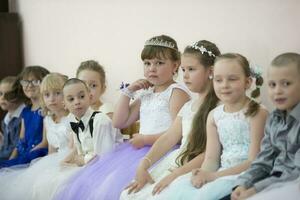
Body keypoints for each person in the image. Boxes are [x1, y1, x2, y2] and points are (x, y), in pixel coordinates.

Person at [54, 35, 190, 200]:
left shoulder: (176, 92)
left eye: (159, 63)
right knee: (100, 184)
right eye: (147, 63)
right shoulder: (147, 93)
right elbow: (119, 122)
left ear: (175, 65)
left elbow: (179, 134)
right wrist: (128, 92)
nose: (152, 69)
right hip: (137, 151)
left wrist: (146, 139)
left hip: (163, 152)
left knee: (128, 191)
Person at [152, 53, 268, 200]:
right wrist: (203, 174)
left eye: (232, 79)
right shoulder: (214, 115)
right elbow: (212, 158)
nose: (224, 85)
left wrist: (214, 176)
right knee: (182, 190)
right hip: (221, 173)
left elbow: (254, 161)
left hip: (248, 175)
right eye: (218, 80)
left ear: (248, 82)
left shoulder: (257, 112)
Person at [120, 40, 221, 200]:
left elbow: (209, 153)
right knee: (129, 194)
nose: (185, 75)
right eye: (183, 70)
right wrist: (144, 164)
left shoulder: (219, 107)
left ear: (210, 71)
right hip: (178, 160)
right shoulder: (189, 107)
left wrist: (175, 175)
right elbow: (169, 137)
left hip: (196, 166)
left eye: (192, 69)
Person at [229, 52, 300, 200]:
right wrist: (244, 184)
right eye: (272, 85)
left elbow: (296, 174)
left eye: (286, 83)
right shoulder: (274, 119)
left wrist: (256, 190)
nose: (277, 91)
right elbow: (263, 161)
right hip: (273, 180)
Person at [0, 73, 70, 200]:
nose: (52, 99)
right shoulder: (48, 119)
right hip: (54, 159)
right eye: (47, 95)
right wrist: (48, 167)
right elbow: (51, 150)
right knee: (36, 182)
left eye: (57, 93)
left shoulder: (71, 119)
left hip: (70, 159)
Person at [0, 66, 50, 168]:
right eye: (25, 82)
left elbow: (45, 143)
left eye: (35, 82)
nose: (29, 86)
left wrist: (26, 156)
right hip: (25, 154)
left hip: (38, 153)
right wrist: (12, 160)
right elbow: (20, 141)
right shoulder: (26, 111)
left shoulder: (46, 110)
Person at [0, 76, 26, 161]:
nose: (2, 98)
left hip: (15, 160)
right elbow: (6, 145)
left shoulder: (23, 117)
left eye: (9, 95)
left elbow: (17, 147)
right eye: (0, 94)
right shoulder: (6, 119)